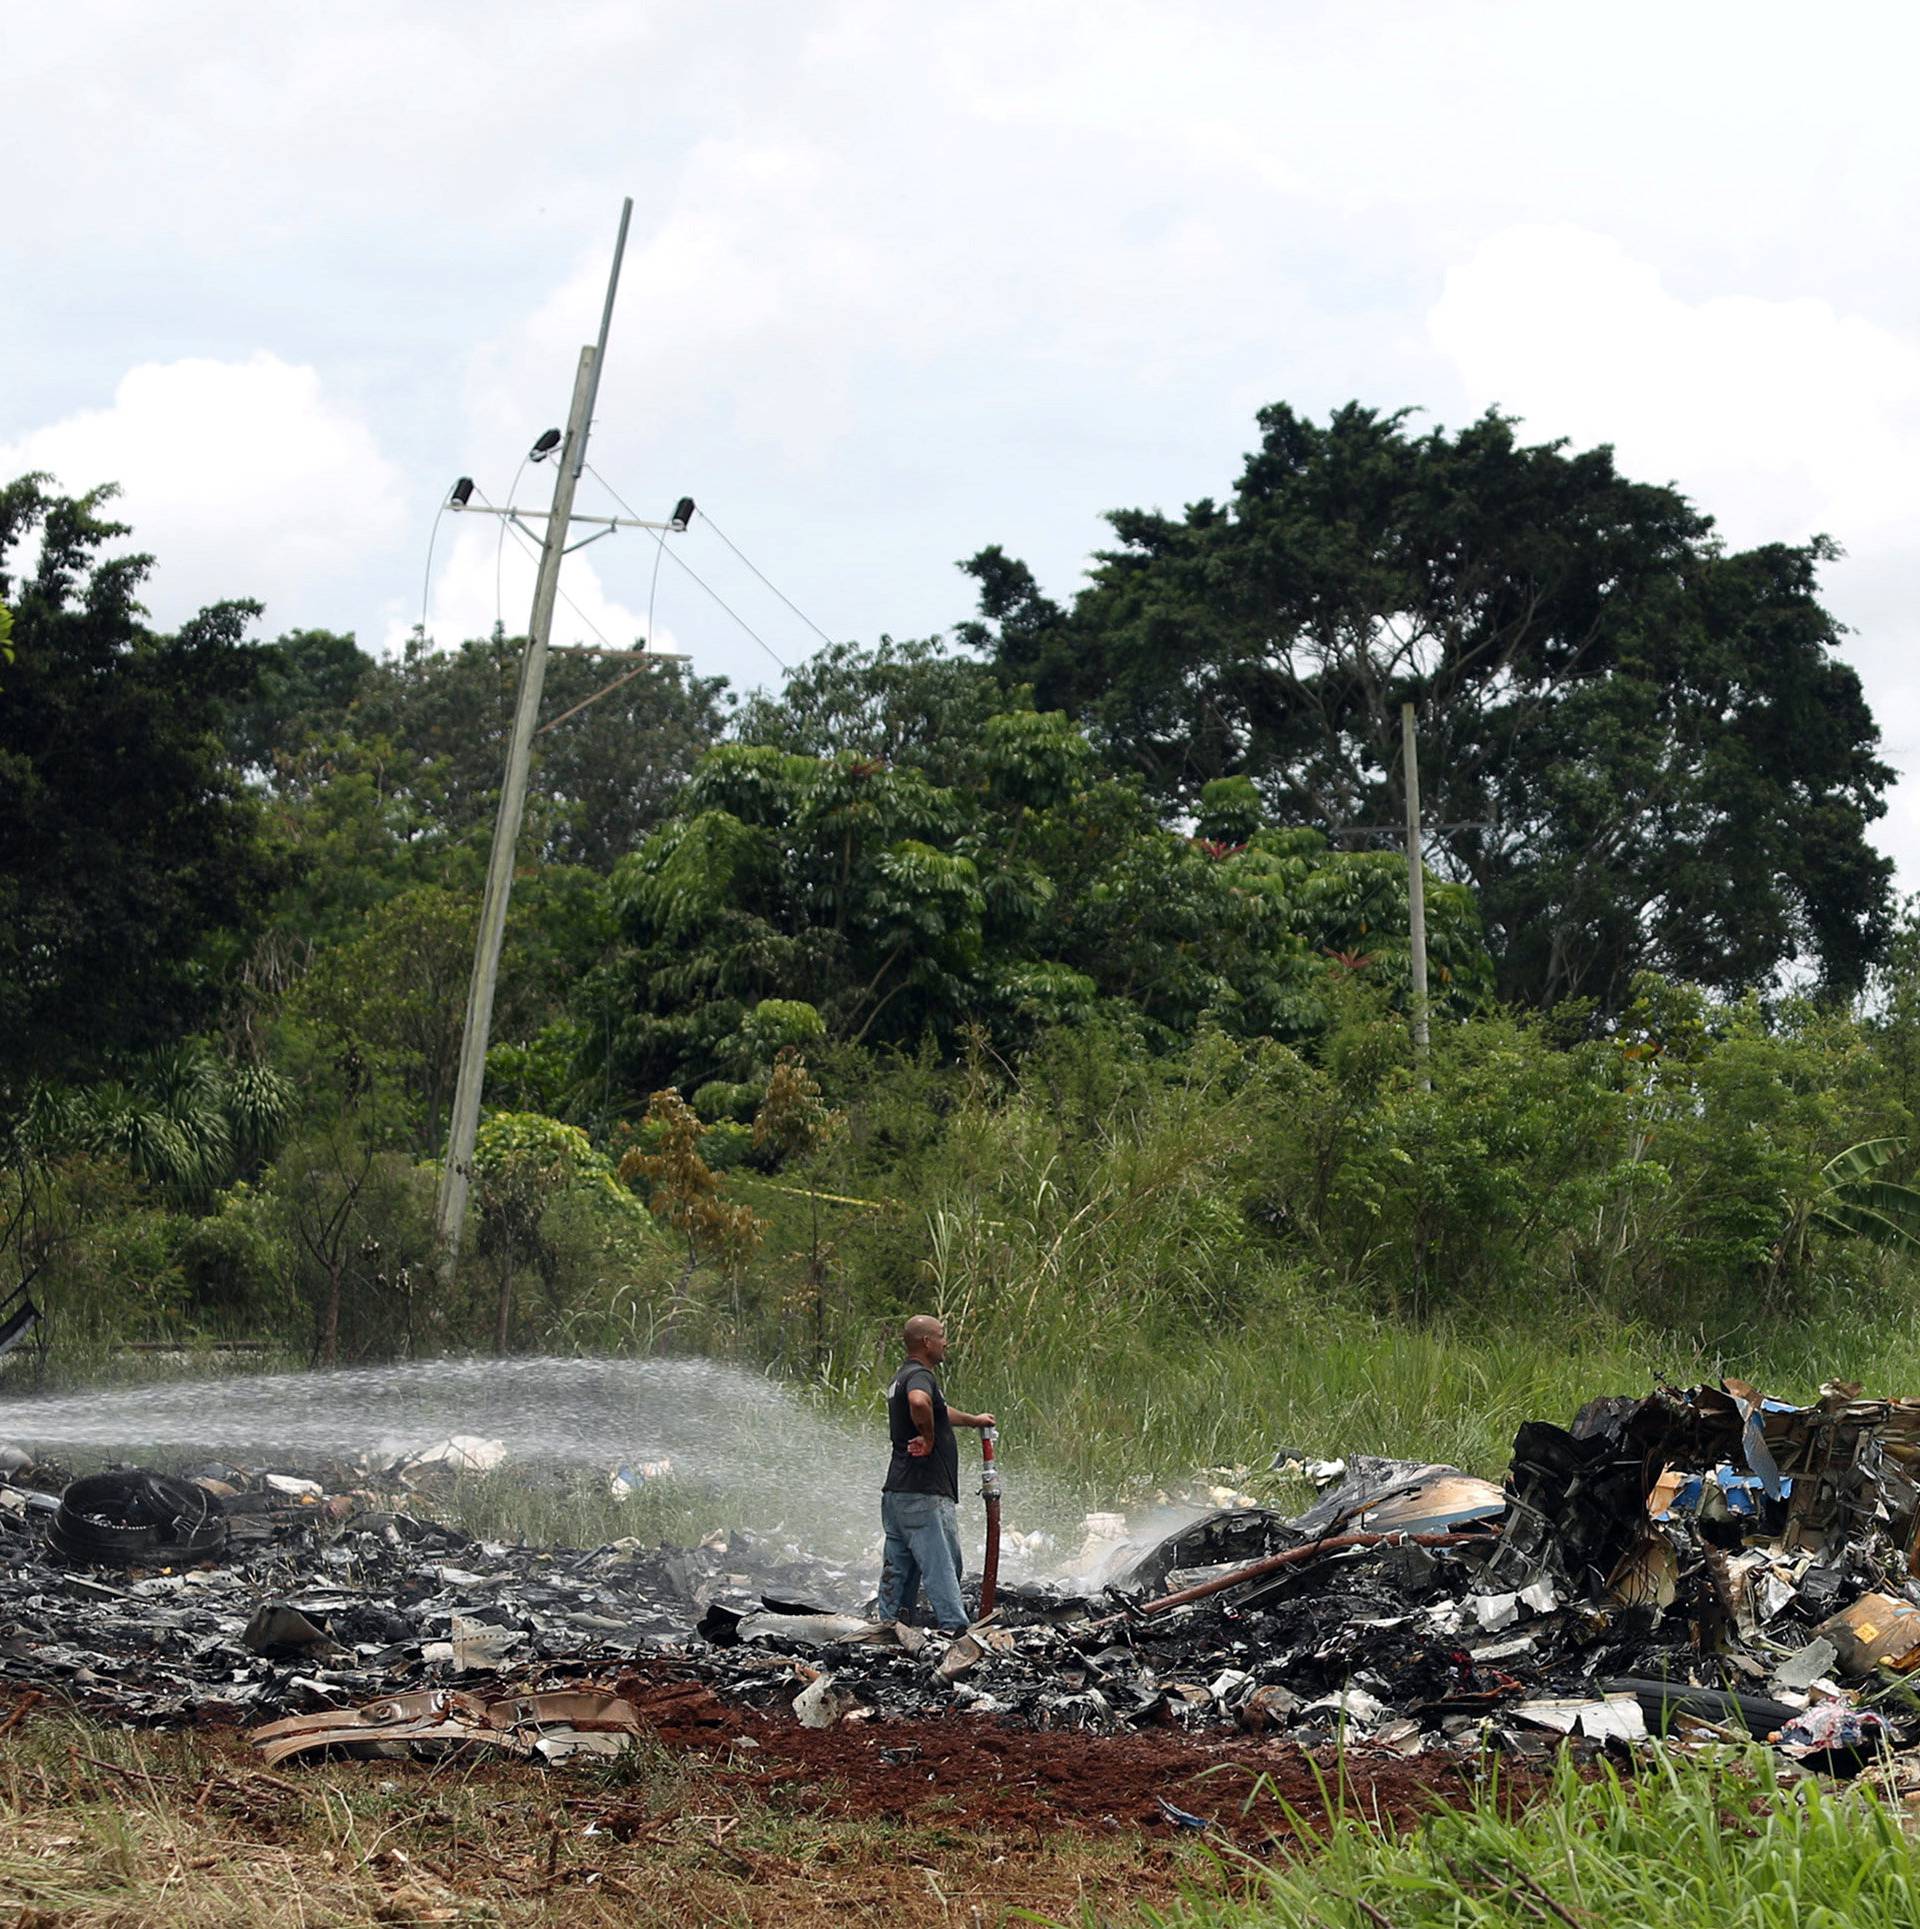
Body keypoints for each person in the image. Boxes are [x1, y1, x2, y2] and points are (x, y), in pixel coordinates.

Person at [876, 1313, 995, 1634]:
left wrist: (973, 1420)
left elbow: (937, 1409)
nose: (946, 1342)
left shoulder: (901, 1376)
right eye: (941, 1336)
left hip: (897, 1493)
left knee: (898, 1566)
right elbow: (920, 1402)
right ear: (926, 1342)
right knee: (942, 1565)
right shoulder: (920, 1377)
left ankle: (888, 1626)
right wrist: (928, 1440)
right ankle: (955, 1630)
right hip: (924, 1494)